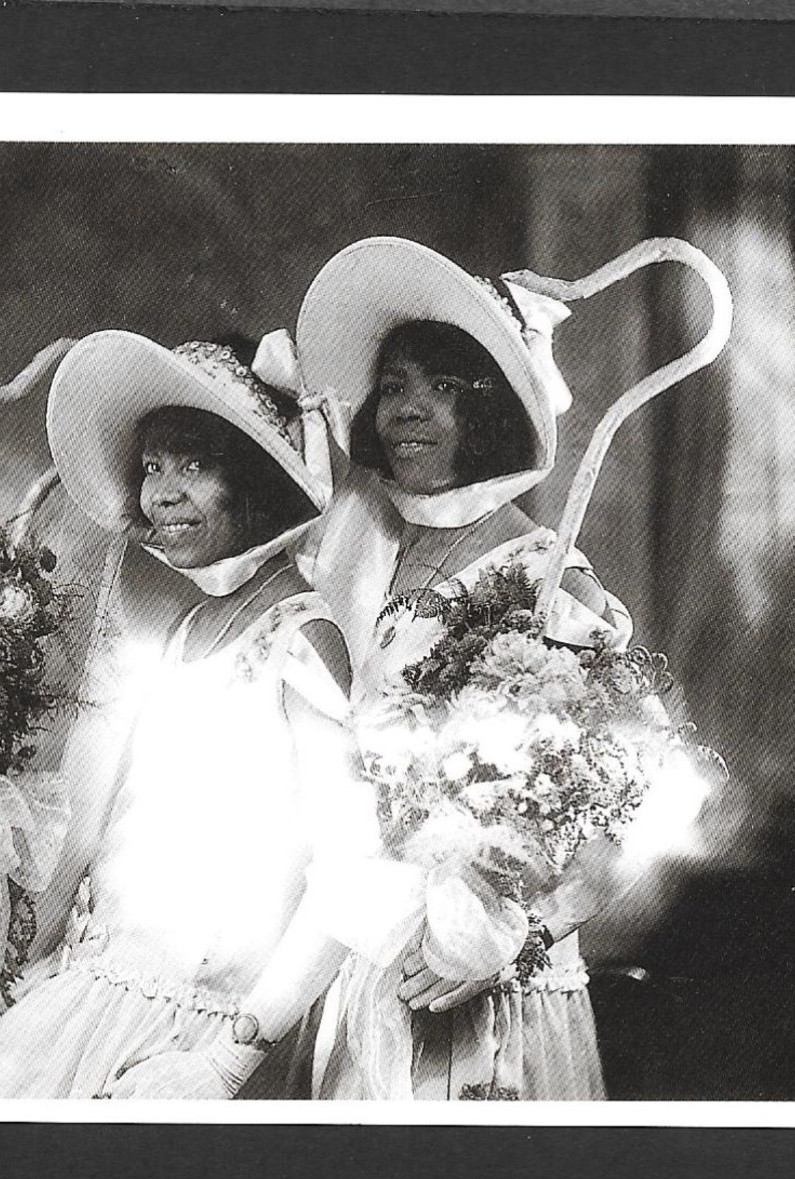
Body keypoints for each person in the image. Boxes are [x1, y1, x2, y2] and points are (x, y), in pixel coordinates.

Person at [0, 331, 378, 1100]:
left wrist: (229, 1058)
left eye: (194, 466)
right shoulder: (180, 633)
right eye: (151, 468)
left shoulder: (301, 638)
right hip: (90, 991)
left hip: (193, 1024)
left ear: (254, 479)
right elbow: (100, 831)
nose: (162, 493)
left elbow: (349, 876)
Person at [292, 237, 636, 1101]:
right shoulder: (367, 553)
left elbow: (627, 795)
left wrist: (510, 939)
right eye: (396, 385)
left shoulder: (548, 574)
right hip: (370, 959)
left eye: (442, 386)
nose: (409, 408)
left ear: (488, 412)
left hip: (486, 989)